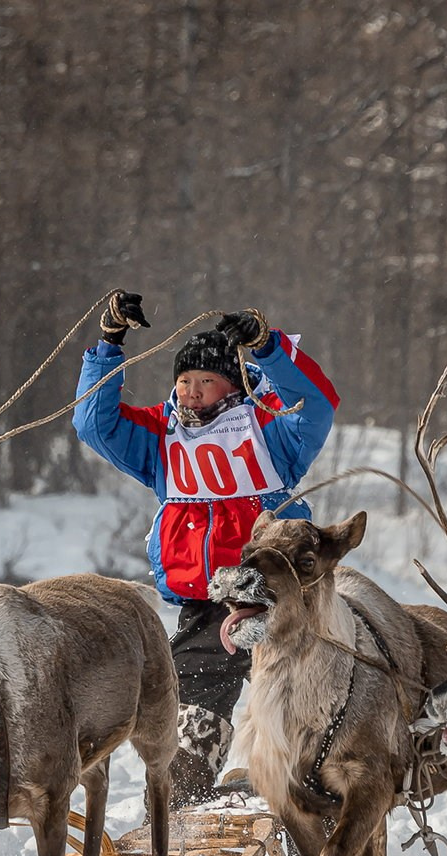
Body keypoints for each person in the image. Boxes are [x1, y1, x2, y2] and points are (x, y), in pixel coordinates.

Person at [73, 291, 339, 805]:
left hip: (279, 593)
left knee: (295, 700)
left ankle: (308, 778)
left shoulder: (269, 430)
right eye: (184, 381)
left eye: (205, 381)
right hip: (207, 599)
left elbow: (317, 406)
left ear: (230, 384)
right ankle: (184, 796)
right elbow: (94, 424)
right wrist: (109, 343)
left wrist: (267, 348)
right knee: (185, 702)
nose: (192, 393)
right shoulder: (160, 436)